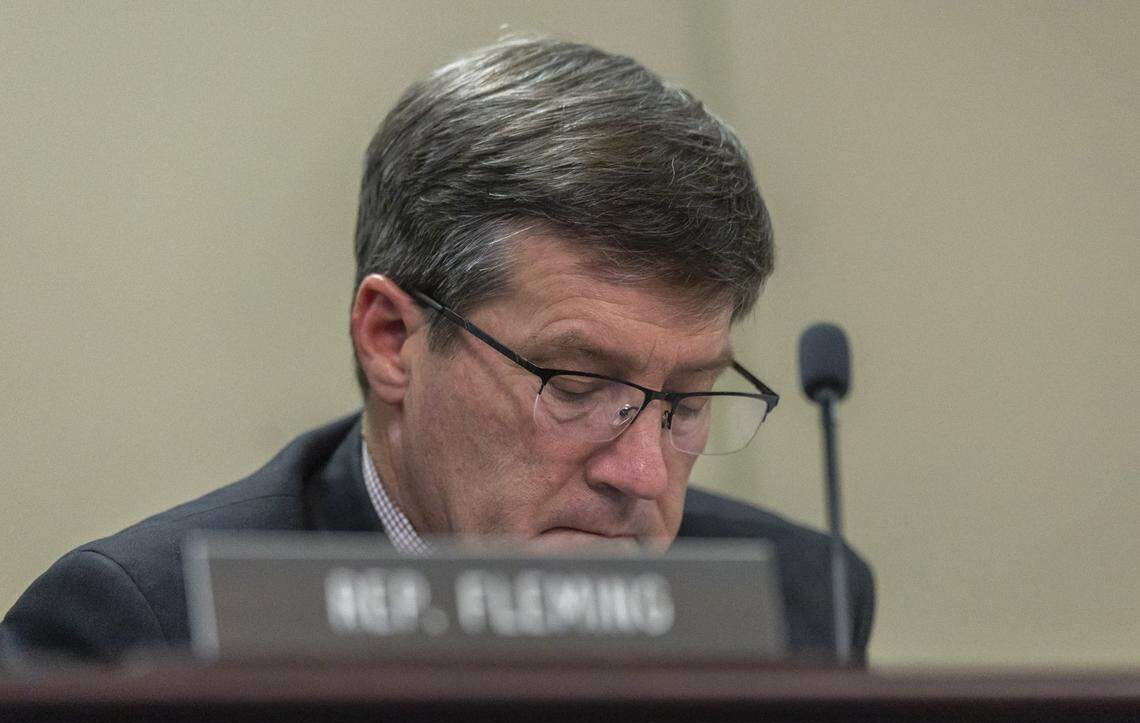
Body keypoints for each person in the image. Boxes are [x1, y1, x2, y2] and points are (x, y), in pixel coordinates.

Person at [3, 37, 874, 663]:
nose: (642, 475)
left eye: (684, 403)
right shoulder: (149, 627)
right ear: (392, 341)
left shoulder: (797, 601)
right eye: (575, 383)